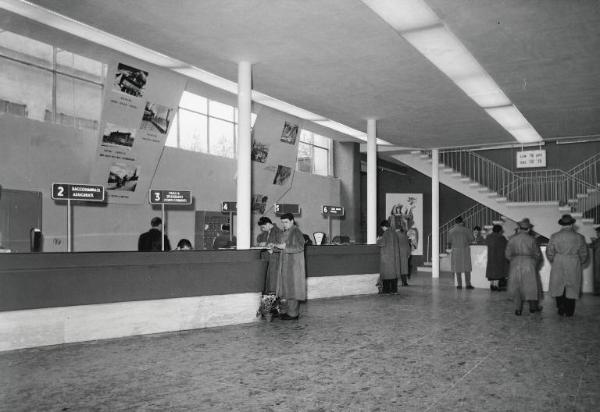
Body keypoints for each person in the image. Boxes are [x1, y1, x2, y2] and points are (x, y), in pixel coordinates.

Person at [546, 214, 589, 317]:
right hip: (573, 262)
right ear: (571, 224)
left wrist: (553, 260)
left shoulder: (554, 236)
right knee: (572, 286)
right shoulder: (579, 237)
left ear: (562, 224)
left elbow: (549, 252)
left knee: (558, 285)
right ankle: (569, 311)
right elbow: (584, 253)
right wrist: (580, 261)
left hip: (559, 261)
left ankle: (561, 308)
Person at [505, 218, 543, 316]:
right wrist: (534, 264)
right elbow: (538, 255)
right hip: (529, 264)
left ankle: (518, 309)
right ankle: (533, 308)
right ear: (528, 229)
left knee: (517, 287)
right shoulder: (532, 239)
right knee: (531, 286)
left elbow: (507, 254)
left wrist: (514, 261)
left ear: (519, 228)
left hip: (515, 264)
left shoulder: (512, 239)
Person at [273, 213, 306, 320]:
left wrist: (285, 246)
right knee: (285, 289)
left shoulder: (296, 232)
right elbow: (282, 247)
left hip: (294, 266)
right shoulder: (285, 232)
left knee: (292, 290)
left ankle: (293, 314)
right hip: (285, 265)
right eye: (282, 222)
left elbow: (300, 247)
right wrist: (274, 248)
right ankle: (286, 311)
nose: (284, 224)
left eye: (286, 222)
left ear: (292, 221)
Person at [256, 217, 283, 294]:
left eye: (263, 227)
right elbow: (258, 242)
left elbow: (283, 247)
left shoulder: (279, 233)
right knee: (266, 280)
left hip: (274, 259)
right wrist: (259, 244)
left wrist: (272, 248)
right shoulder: (263, 234)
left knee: (273, 280)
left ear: (268, 224)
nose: (262, 229)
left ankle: (273, 297)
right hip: (265, 259)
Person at [448, 216, 475, 289]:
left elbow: (449, 241)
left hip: (456, 251)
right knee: (467, 268)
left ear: (455, 222)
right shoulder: (467, 230)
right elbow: (472, 239)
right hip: (465, 250)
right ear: (462, 222)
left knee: (457, 268)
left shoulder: (451, 231)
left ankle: (459, 285)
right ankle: (468, 284)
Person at [377, 220, 401, 294]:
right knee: (393, 274)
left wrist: (378, 240)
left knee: (386, 274)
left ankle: (386, 290)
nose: (382, 229)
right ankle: (394, 290)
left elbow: (382, 243)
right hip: (394, 257)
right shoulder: (394, 233)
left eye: (382, 228)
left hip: (387, 257)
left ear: (384, 226)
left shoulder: (386, 233)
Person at [485, 224, 508, 291]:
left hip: (491, 257)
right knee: (498, 272)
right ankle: (495, 286)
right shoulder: (501, 238)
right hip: (499, 257)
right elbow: (506, 245)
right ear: (500, 231)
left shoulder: (488, 237)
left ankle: (492, 285)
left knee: (492, 271)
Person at [592, 226, 600, 296]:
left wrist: (593, 242)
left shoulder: (598, 241)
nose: (597, 234)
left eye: (597, 232)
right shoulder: (597, 240)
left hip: (598, 260)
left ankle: (597, 291)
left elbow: (594, 246)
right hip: (597, 259)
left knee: (597, 276)